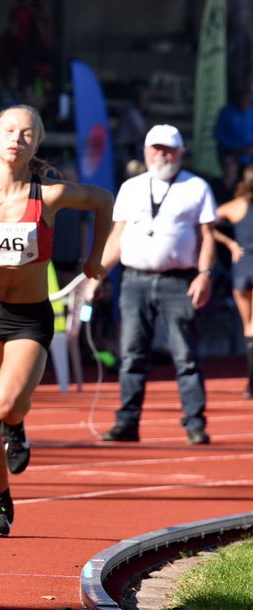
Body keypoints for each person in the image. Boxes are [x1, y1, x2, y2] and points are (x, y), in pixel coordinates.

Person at [0, 104, 113, 538]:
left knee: (5, 406)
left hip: (28, 318)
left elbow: (101, 200)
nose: (16, 139)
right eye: (9, 130)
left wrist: (95, 259)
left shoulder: (50, 195)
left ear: (35, 143)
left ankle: (17, 425)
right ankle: (0, 504)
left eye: (26, 133)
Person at [86, 124, 216, 446]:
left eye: (169, 149)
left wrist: (205, 275)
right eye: (156, 149)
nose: (162, 155)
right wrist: (97, 276)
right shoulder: (131, 187)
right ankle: (127, 422)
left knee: (185, 356)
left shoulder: (196, 187)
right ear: (145, 152)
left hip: (178, 280)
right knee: (131, 355)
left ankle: (195, 423)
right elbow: (117, 236)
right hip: (135, 280)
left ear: (181, 152)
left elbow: (207, 237)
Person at [211, 165, 253, 399]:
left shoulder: (236, 207)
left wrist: (228, 243)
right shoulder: (238, 206)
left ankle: (250, 383)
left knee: (247, 325)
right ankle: (251, 382)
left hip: (242, 270)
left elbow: (206, 223)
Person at [213, 88, 253, 193]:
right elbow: (218, 135)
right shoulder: (227, 112)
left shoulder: (251, 112)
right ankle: (227, 198)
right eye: (244, 100)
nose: (246, 103)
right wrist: (235, 148)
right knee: (230, 173)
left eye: (249, 100)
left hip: (249, 153)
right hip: (229, 152)